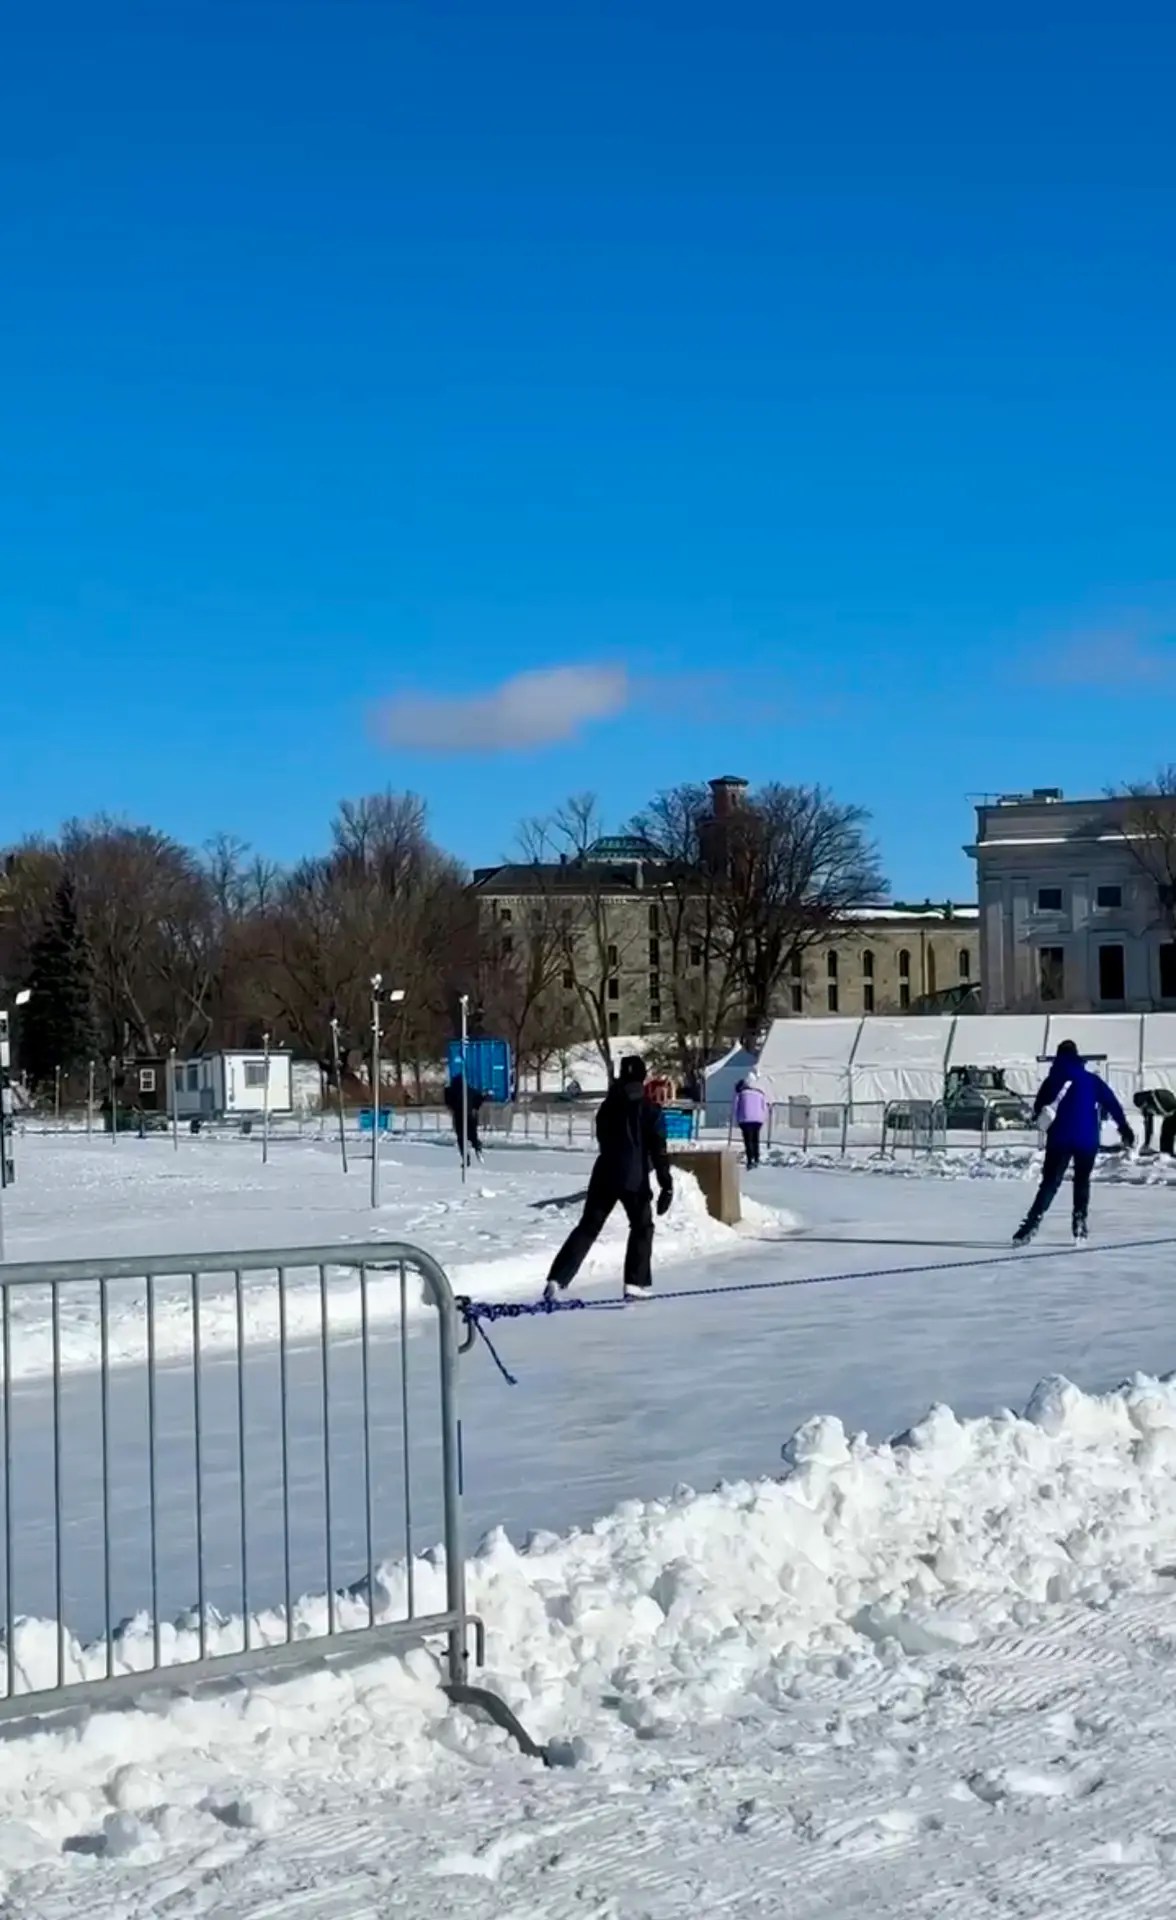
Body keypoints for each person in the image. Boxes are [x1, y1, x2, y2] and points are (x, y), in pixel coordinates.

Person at [545, 1054, 673, 1300]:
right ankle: (634, 1283)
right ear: (642, 1077)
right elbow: (659, 1150)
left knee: (588, 1226)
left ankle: (558, 1279)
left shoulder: (607, 1107)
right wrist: (666, 1185)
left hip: (604, 1172)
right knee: (642, 1226)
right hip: (634, 1178)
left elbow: (604, 1138)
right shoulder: (650, 1110)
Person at [1013, 1040, 1134, 1245]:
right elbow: (1112, 1103)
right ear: (1077, 1056)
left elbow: (1039, 1109)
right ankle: (1079, 1221)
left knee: (1050, 1183)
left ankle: (1031, 1224)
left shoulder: (1051, 1080)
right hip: (1087, 1140)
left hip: (1059, 1139)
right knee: (1081, 1181)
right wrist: (1124, 1128)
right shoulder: (1091, 1080)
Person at [444, 1074, 484, 1165]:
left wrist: (446, 1090)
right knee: (472, 1136)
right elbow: (480, 1097)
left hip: (459, 1117)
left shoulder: (452, 1091)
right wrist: (475, 1107)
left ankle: (466, 1157)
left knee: (461, 1139)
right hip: (470, 1117)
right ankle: (477, 1146)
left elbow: (448, 1102)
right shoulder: (470, 1090)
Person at [733, 1074, 768, 1168]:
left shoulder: (740, 1094)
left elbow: (736, 1107)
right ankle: (756, 1158)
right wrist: (763, 1118)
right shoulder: (760, 1093)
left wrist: (737, 1119)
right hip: (758, 1120)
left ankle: (750, 1159)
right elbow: (764, 1107)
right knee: (755, 1139)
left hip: (745, 1119)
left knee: (748, 1140)